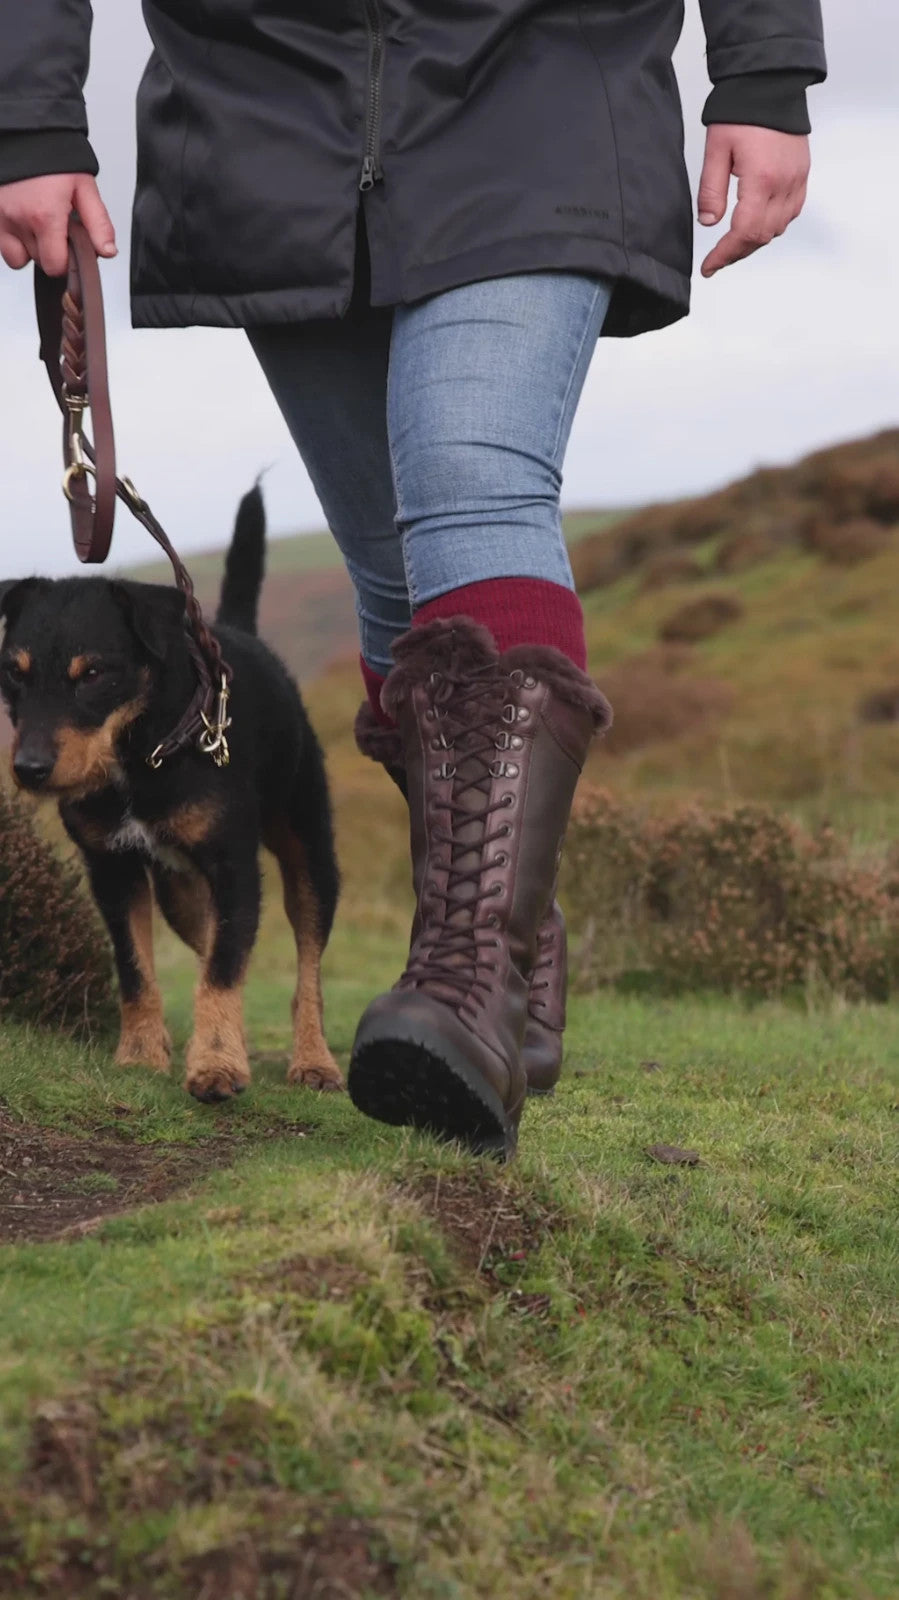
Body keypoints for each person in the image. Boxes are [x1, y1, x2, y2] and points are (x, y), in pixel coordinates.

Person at [0, 2, 826, 1158]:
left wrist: (764, 66)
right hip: (263, 111)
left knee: (470, 478)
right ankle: (510, 932)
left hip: (539, 77)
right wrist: (32, 117)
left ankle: (467, 973)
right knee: (393, 573)